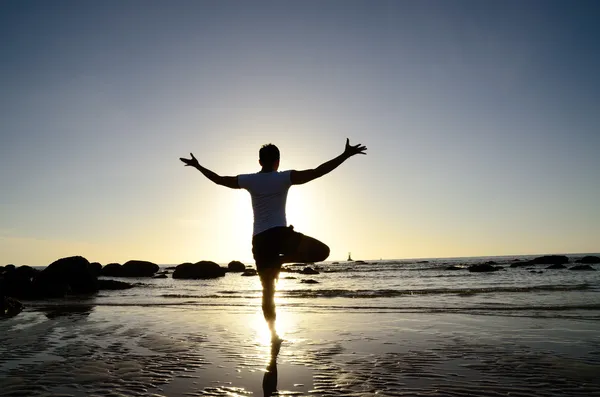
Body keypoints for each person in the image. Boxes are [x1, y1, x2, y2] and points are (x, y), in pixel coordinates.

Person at [180, 138, 367, 340]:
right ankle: (282, 261)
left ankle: (273, 335)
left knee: (267, 291)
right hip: (281, 236)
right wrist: (345, 155)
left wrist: (198, 166)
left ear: (260, 161)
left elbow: (219, 179)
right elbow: (318, 171)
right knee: (323, 251)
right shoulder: (284, 177)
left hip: (260, 241)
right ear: (277, 161)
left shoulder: (249, 179)